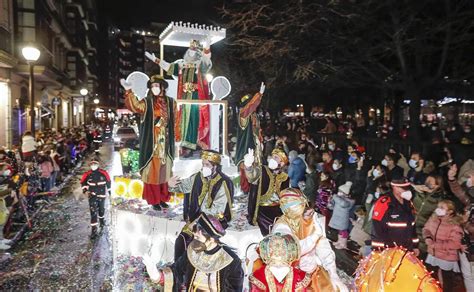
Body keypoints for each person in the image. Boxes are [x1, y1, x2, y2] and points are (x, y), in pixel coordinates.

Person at [143, 213, 244, 291]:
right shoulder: (193, 251)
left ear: (212, 239)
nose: (196, 236)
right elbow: (176, 273)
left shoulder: (231, 262)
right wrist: (156, 274)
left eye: (200, 235)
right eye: (196, 233)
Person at [272, 188, 348, 291]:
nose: (310, 214)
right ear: (294, 213)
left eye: (307, 207)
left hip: (313, 272)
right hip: (291, 277)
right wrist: (315, 236)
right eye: (304, 210)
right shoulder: (281, 228)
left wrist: (333, 274)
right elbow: (293, 250)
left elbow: (323, 247)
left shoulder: (312, 219)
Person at [145, 39, 212, 152]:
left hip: (196, 97)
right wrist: (155, 60)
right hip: (184, 97)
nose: (191, 53)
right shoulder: (181, 66)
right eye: (190, 50)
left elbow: (206, 60)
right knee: (183, 120)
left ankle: (195, 145)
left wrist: (207, 48)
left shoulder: (200, 66)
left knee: (196, 120)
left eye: (194, 50)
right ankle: (185, 146)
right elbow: (168, 67)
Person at [121, 74, 176, 211]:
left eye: (156, 86)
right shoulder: (147, 102)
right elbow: (135, 107)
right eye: (152, 87)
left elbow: (176, 120)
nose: (154, 88)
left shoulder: (171, 102)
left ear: (162, 87)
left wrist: (178, 134)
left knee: (165, 172)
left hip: (166, 143)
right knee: (153, 173)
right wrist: (129, 92)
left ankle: (163, 198)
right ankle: (154, 200)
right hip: (153, 144)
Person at [244, 148, 290, 236]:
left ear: (282, 162)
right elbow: (252, 176)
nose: (273, 159)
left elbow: (285, 195)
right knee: (268, 231)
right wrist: (248, 165)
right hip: (263, 210)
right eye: (273, 157)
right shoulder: (262, 170)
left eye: (276, 158)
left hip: (278, 210)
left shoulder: (284, 177)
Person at [423, 200, 466, 291]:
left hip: (446, 257)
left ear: (450, 211)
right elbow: (426, 228)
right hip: (432, 254)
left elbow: (455, 243)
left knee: (447, 281)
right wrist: (427, 237)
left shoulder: (455, 224)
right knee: (430, 277)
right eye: (438, 207)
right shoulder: (434, 218)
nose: (438, 209)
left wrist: (435, 244)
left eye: (442, 208)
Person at [371, 179, 419, 254]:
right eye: (403, 189)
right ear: (394, 187)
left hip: (406, 248)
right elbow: (377, 227)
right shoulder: (385, 203)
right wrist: (379, 249)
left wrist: (415, 246)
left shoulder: (408, 203)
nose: (406, 191)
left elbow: (412, 226)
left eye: (408, 188)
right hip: (389, 249)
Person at [234, 83, 266, 195]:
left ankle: (254, 189)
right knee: (246, 169)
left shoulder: (254, 116)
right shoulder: (243, 113)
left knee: (255, 170)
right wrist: (259, 95)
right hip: (245, 148)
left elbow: (257, 131)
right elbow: (250, 107)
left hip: (255, 147)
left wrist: (260, 141)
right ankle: (246, 190)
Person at [412, 175, 446, 255]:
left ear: (438, 185)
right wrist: (416, 188)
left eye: (430, 182)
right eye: (426, 181)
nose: (427, 184)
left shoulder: (440, 199)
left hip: (422, 230)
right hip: (410, 225)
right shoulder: (419, 192)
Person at [80, 158, 111, 238]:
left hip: (101, 195)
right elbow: (83, 182)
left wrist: (110, 192)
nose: (93, 166)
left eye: (95, 164)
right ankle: (94, 231)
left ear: (98, 165)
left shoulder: (103, 173)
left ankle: (102, 221)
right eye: (92, 164)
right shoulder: (87, 174)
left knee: (101, 210)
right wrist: (85, 190)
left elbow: (108, 182)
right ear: (90, 165)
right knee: (93, 212)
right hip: (92, 195)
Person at [329, 181, 355, 249]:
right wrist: (330, 202)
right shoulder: (340, 199)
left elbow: (343, 204)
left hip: (343, 219)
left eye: (340, 191)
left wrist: (335, 197)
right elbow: (332, 207)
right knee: (339, 231)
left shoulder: (349, 201)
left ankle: (343, 244)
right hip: (337, 217)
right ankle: (339, 241)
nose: (339, 192)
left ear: (345, 193)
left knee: (343, 231)